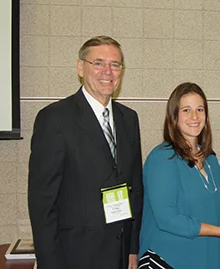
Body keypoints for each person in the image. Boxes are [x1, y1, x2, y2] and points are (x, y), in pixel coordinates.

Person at [28, 36, 143, 269]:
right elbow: (42, 204)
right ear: (81, 67)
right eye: (98, 63)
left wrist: (132, 249)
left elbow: (134, 187)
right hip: (74, 256)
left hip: (120, 254)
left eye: (115, 64)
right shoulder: (55, 119)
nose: (107, 72)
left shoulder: (128, 119)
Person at [138, 82, 220, 269]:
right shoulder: (162, 158)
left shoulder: (211, 159)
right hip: (171, 260)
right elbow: (167, 218)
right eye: (186, 110)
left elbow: (198, 199)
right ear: (174, 116)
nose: (194, 117)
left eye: (200, 109)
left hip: (211, 258)